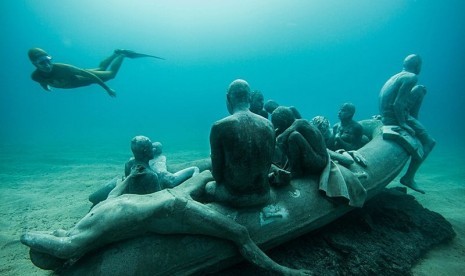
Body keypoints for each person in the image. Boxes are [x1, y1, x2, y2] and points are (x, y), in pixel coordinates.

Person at [20, 171, 310, 276]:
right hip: (173, 204)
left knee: (211, 184)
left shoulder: (82, 229)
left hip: (171, 202)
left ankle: (272, 178)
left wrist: (26, 236)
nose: (56, 232)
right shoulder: (85, 227)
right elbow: (62, 245)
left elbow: (64, 245)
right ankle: (283, 271)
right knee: (237, 230)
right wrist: (29, 236)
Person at [206, 79, 276, 207]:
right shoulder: (269, 124)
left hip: (234, 196)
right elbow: (268, 163)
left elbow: (217, 175)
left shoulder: (219, 127)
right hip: (263, 194)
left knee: (209, 186)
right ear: (249, 98)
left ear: (228, 98)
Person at [379, 54, 436, 193]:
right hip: (394, 117)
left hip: (386, 115)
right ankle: (409, 177)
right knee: (430, 142)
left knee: (421, 89)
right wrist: (403, 124)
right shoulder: (412, 77)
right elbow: (397, 103)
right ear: (418, 66)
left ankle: (413, 120)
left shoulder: (395, 77)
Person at [28, 48, 164, 97]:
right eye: (42, 63)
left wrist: (107, 89)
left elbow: (89, 75)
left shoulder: (63, 68)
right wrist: (46, 88)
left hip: (83, 77)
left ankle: (122, 55)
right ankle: (115, 53)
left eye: (48, 60)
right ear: (35, 64)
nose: (47, 65)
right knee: (100, 68)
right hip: (77, 79)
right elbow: (42, 81)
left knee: (110, 74)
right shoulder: (35, 77)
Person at [271, 106, 328, 178]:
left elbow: (280, 140)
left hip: (319, 162)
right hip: (313, 158)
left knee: (293, 136)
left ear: (284, 121)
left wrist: (275, 134)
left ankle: (296, 171)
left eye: (279, 125)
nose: (278, 128)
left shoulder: (300, 123)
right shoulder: (294, 124)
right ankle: (291, 168)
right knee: (290, 137)